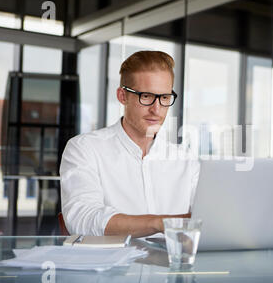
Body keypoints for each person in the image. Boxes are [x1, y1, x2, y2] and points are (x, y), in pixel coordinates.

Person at [60, 50, 200, 237]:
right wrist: (161, 223)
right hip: (110, 264)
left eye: (164, 97)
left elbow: (209, 219)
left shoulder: (186, 161)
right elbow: (83, 220)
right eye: (146, 96)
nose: (156, 109)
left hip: (173, 264)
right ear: (122, 96)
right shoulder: (84, 149)